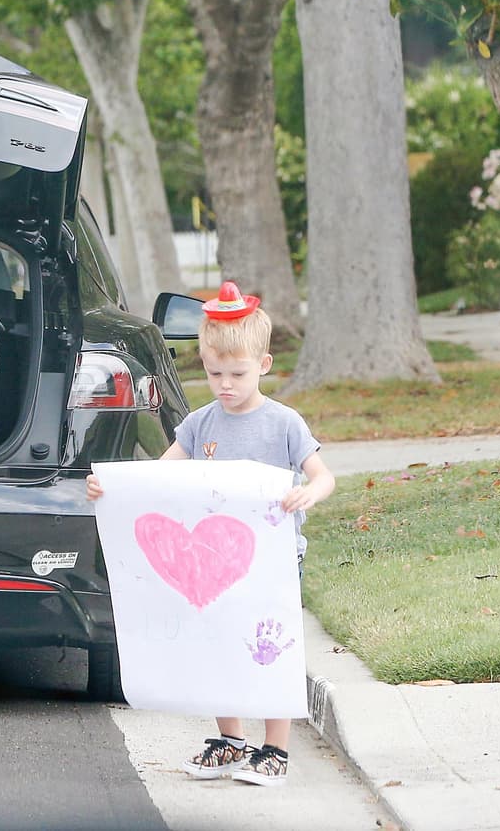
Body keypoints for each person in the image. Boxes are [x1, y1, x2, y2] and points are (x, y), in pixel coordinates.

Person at [86, 281, 335, 787]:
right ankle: (230, 738)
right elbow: (159, 476)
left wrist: (309, 492)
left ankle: (275, 748)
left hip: (274, 558)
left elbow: (323, 474)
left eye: (237, 374)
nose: (225, 384)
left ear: (263, 365)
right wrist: (109, 488)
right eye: (214, 372)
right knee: (217, 640)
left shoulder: (284, 424)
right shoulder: (200, 424)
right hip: (210, 563)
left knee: (267, 643)